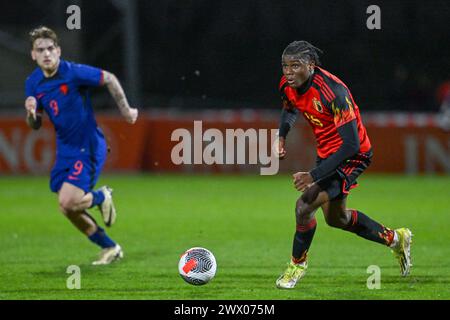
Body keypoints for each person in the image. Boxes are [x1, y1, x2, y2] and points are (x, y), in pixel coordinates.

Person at [275, 41, 412, 289]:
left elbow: (350, 144)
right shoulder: (288, 85)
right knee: (336, 219)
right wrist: (281, 136)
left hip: (352, 155)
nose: (288, 72)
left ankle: (296, 265)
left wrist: (313, 175)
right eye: (285, 66)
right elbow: (288, 109)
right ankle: (395, 238)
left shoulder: (334, 93)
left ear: (311, 65)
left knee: (304, 206)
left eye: (295, 66)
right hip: (328, 153)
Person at [24, 26, 138, 265]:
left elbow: (109, 77)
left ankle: (101, 196)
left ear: (58, 51)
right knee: (67, 208)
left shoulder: (73, 72)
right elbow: (34, 124)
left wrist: (126, 111)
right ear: (33, 55)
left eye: (50, 49)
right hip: (65, 150)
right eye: (40, 50)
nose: (46, 54)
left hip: (88, 146)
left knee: (68, 201)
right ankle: (110, 247)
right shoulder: (33, 83)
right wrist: (32, 115)